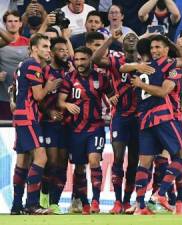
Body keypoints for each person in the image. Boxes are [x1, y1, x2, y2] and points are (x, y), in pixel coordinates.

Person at [121, 35, 182, 215]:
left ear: (166, 48)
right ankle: (162, 194)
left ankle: (140, 206)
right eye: (152, 48)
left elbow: (122, 67)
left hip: (144, 120)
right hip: (163, 117)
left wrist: (136, 73)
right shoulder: (171, 67)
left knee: (144, 163)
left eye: (158, 47)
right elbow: (162, 92)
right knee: (181, 156)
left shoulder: (143, 69)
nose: (154, 50)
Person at [93, 30, 150, 214]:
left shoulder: (146, 64)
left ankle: (126, 201)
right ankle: (117, 201)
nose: (132, 38)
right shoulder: (116, 61)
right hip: (120, 117)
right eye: (127, 37)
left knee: (134, 161)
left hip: (139, 118)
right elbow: (95, 59)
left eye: (135, 36)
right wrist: (110, 38)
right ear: (122, 44)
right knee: (118, 158)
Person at [58, 46, 113, 215]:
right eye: (77, 60)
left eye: (83, 59)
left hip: (95, 127)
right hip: (74, 130)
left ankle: (96, 201)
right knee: (80, 168)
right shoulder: (68, 78)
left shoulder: (101, 78)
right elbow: (60, 101)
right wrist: (67, 104)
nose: (80, 63)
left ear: (90, 59)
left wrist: (114, 107)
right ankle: (84, 202)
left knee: (95, 161)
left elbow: (112, 96)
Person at [11, 33, 60, 215]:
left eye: (49, 46)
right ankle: (32, 204)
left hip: (20, 115)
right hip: (29, 116)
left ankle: (17, 206)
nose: (49, 50)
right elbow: (38, 96)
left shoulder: (21, 64)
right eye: (45, 46)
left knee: (23, 161)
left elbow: (13, 91)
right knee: (41, 158)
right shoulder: (33, 65)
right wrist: (50, 86)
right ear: (34, 48)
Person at [38, 37, 70, 214]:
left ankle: (55, 202)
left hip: (67, 124)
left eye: (66, 50)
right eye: (60, 50)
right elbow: (37, 97)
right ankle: (43, 195)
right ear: (52, 53)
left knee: (62, 164)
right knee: (51, 162)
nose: (64, 53)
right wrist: (49, 112)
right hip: (49, 123)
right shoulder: (45, 71)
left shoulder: (70, 72)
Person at [0, 10, 29, 120]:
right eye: (10, 21)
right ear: (5, 24)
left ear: (21, 24)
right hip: (3, 96)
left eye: (16, 21)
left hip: (24, 96)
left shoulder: (29, 42)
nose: (13, 24)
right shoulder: (1, 43)